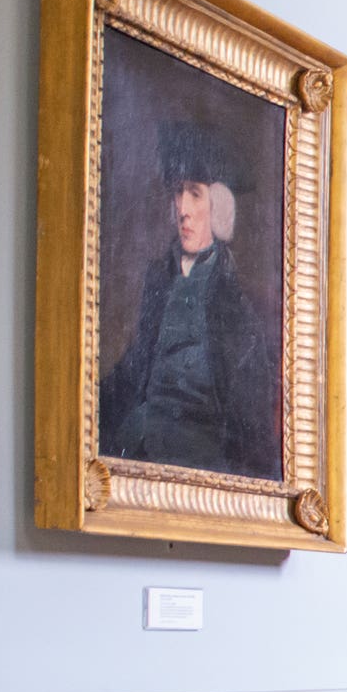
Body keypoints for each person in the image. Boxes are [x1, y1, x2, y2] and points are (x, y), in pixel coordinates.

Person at [99, 121, 279, 479]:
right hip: (136, 439)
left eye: (194, 194)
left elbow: (248, 418)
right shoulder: (158, 279)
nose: (182, 209)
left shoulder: (236, 305)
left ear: (219, 207)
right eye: (178, 192)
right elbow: (135, 365)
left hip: (195, 453)